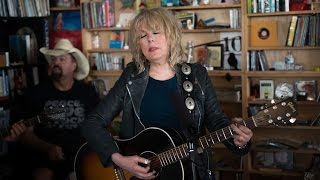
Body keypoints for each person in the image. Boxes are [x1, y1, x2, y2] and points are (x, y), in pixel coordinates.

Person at [81, 8, 253, 180]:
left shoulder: (196, 75)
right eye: (143, 36)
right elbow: (93, 122)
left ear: (172, 37)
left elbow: (216, 120)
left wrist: (239, 140)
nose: (150, 39)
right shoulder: (131, 77)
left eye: (156, 32)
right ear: (138, 45)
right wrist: (119, 160)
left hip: (192, 172)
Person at [16, 39, 100, 180]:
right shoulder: (36, 94)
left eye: (62, 59)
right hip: (45, 159)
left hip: (81, 157)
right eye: (54, 59)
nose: (56, 62)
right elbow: (25, 134)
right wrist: (47, 148)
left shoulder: (87, 92)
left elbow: (99, 125)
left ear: (74, 66)